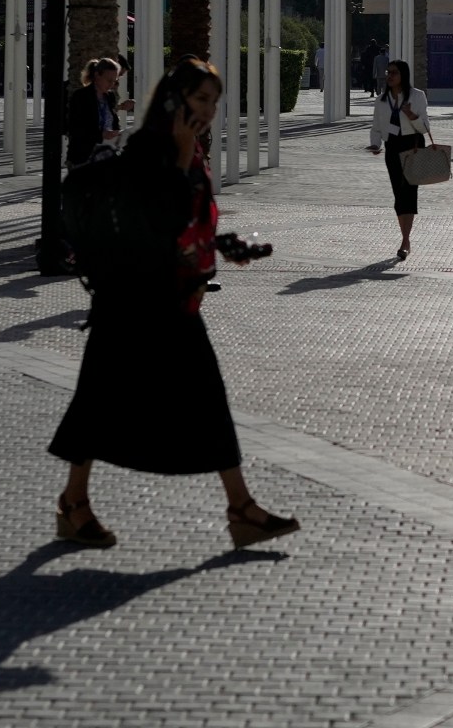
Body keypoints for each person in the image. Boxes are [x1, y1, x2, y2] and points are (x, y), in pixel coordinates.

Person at [49, 58, 296, 552]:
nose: (208, 110)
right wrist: (182, 159)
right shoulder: (149, 150)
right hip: (135, 300)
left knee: (198, 398)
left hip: (171, 299)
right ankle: (75, 504)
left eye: (214, 102)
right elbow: (163, 218)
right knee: (101, 399)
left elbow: (191, 225)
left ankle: (240, 508)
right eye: (201, 99)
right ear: (175, 99)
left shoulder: (188, 150)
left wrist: (210, 261)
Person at [368, 59, 432, 261]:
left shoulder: (417, 96)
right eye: (388, 72)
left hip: (412, 145)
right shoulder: (381, 100)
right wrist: (376, 144)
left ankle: (405, 240)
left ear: (403, 75)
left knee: (409, 192)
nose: (389, 76)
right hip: (393, 147)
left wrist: (411, 115)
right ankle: (405, 236)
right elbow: (377, 126)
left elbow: (425, 128)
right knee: (398, 193)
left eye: (394, 72)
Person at [65, 58, 130, 165]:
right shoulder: (81, 96)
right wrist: (101, 134)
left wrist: (116, 133)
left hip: (106, 154)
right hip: (85, 155)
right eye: (109, 80)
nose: (111, 85)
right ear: (97, 75)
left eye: (114, 81)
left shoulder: (109, 97)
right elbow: (75, 128)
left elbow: (112, 121)